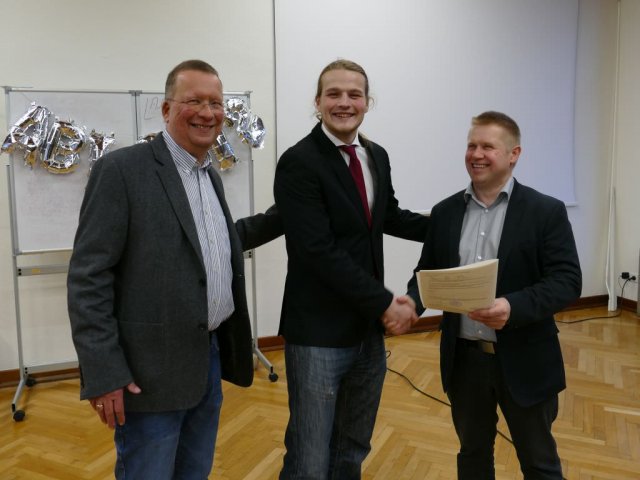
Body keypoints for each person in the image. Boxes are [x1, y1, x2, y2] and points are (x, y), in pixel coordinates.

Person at [67, 59, 282, 479]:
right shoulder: (122, 170)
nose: (207, 112)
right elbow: (88, 278)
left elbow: (209, 248)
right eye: (194, 101)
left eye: (215, 103)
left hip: (208, 359)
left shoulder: (209, 176)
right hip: (147, 372)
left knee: (194, 471)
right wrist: (104, 371)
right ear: (166, 109)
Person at [273, 59, 430, 479]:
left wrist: (452, 225)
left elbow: (389, 217)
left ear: (367, 102)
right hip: (318, 335)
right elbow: (317, 251)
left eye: (354, 94)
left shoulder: (376, 155)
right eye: (334, 94)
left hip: (367, 333)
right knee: (309, 459)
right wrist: (385, 303)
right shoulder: (298, 162)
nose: (344, 103)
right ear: (318, 102)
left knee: (351, 448)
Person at [407, 111, 582, 479]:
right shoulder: (445, 212)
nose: (476, 154)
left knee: (539, 464)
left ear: (514, 154)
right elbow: (427, 273)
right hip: (464, 361)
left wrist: (512, 306)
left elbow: (567, 281)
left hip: (525, 359)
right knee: (472, 456)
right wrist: (410, 303)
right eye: (471, 145)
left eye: (488, 146)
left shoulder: (545, 211)